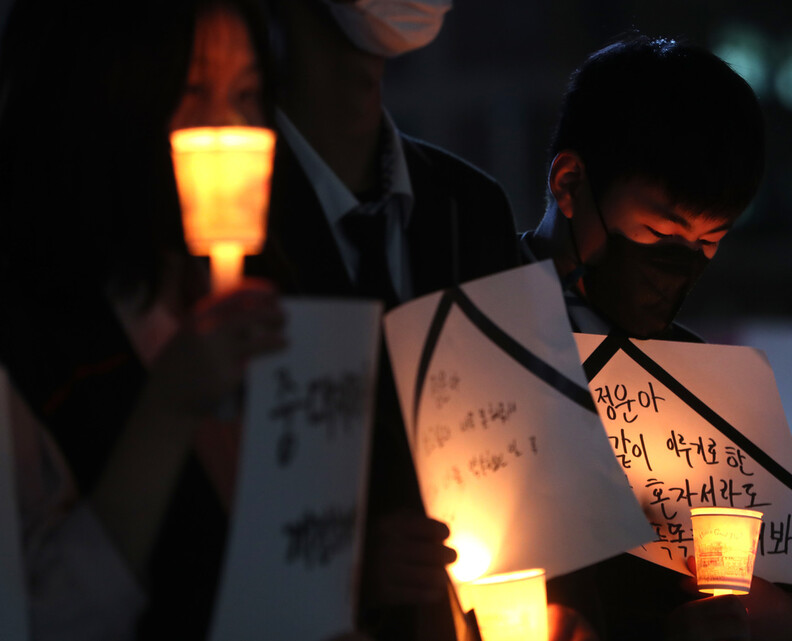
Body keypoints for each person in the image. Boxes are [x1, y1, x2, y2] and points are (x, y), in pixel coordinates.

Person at [520, 35, 792, 641]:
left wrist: (783, 617)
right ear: (569, 184)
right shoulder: (472, 330)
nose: (682, 264)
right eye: (660, 230)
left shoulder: (710, 386)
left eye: (710, 241)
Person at [0, 0, 286, 638]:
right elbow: (43, 621)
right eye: (191, 91)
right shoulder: (31, 342)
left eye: (247, 94)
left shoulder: (268, 319)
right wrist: (167, 410)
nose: (229, 127)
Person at [249, 2, 520, 640]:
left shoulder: (473, 211)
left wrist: (567, 610)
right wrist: (340, 567)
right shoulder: (221, 220)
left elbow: (531, 478)